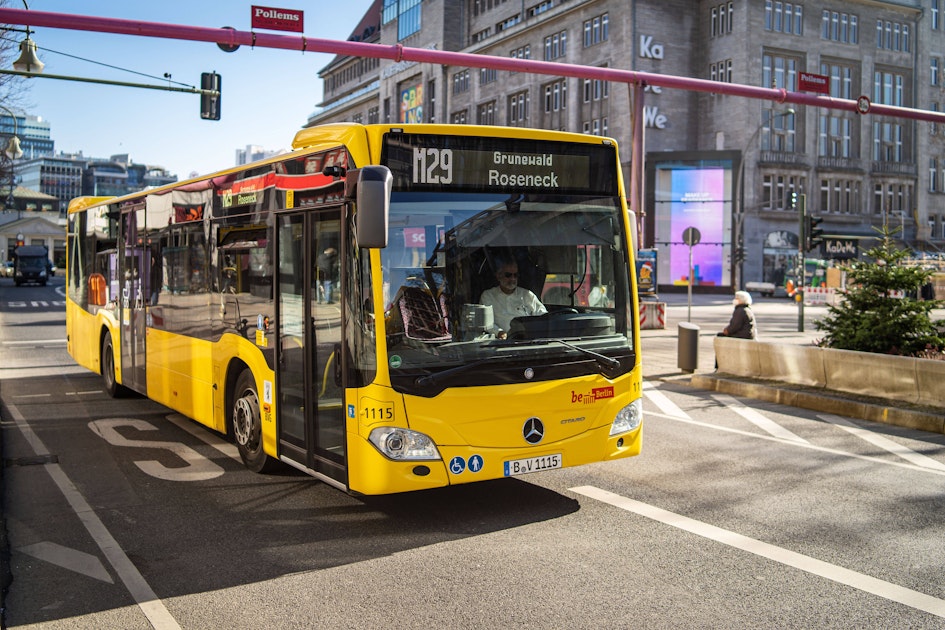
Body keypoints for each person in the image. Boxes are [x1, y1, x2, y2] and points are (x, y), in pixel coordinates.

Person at [480, 260, 547, 336]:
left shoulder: (527, 295)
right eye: (508, 275)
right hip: (499, 342)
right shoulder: (488, 296)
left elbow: (544, 317)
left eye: (515, 275)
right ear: (499, 276)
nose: (512, 279)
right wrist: (498, 332)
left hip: (527, 340)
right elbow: (485, 322)